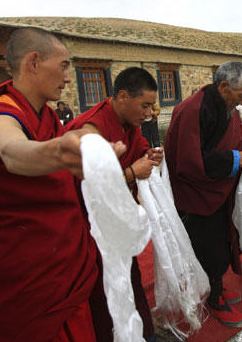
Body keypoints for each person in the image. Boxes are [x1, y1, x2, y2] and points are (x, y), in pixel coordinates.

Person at [0, 27, 125, 341]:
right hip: (25, 275)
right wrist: (59, 151)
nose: (67, 77)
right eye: (63, 66)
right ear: (33, 63)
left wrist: (94, 163)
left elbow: (56, 179)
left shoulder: (47, 117)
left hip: (64, 264)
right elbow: (12, 151)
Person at [67, 67, 166, 342]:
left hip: (117, 223)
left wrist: (149, 155)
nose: (149, 113)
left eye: (152, 106)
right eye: (144, 105)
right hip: (91, 230)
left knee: (130, 282)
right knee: (104, 292)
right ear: (122, 96)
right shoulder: (91, 129)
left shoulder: (128, 125)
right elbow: (88, 190)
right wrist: (133, 172)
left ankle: (142, 334)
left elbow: (139, 148)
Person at [164, 61, 242, 328]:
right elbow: (189, 161)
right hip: (197, 194)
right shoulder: (193, 109)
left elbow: (225, 141)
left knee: (222, 240)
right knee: (210, 247)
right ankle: (214, 297)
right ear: (223, 86)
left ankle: (215, 286)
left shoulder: (225, 105)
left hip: (217, 188)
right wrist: (234, 158)